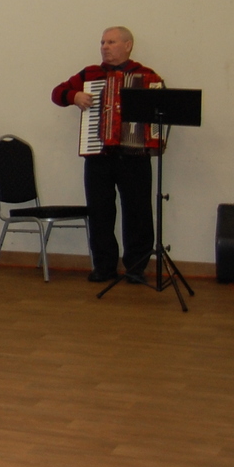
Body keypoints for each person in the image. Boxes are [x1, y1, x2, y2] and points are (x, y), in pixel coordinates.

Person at [52, 27, 163, 283]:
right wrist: (74, 95)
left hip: (135, 156)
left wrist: (154, 133)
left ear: (128, 45)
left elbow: (161, 110)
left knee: (138, 213)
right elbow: (57, 93)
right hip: (98, 155)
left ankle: (136, 268)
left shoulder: (147, 75)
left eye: (111, 42)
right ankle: (104, 267)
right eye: (102, 42)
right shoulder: (90, 74)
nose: (104, 47)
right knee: (100, 212)